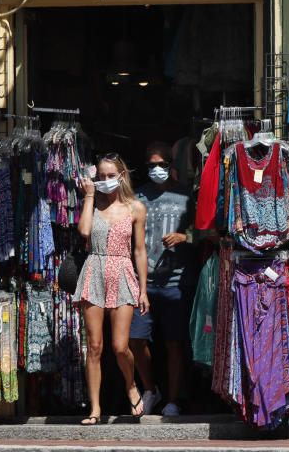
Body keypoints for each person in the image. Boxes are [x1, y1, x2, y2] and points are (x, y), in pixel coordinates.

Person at [75, 153, 150, 425]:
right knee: (94, 346)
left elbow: (140, 251)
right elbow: (84, 231)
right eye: (101, 176)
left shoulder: (136, 208)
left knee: (120, 347)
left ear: (121, 175)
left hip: (122, 272)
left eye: (110, 176)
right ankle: (95, 409)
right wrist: (90, 195)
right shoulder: (92, 204)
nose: (105, 180)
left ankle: (131, 385)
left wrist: (143, 290)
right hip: (94, 271)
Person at [129, 141, 198, 416]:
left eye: (162, 164)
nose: (157, 169)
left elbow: (205, 232)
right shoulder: (136, 197)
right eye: (151, 165)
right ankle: (150, 389)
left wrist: (185, 237)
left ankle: (172, 400)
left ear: (172, 164)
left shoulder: (186, 195)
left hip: (178, 281)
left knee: (174, 343)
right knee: (135, 340)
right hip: (142, 282)